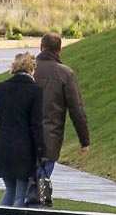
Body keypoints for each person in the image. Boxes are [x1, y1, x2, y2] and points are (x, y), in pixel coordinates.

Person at [0, 52, 46, 208]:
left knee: (10, 189)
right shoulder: (35, 90)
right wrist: (42, 151)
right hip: (24, 149)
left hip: (3, 146)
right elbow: (36, 125)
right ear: (32, 69)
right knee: (21, 193)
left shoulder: (2, 88)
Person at [33, 31, 91, 190]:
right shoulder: (65, 73)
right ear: (60, 50)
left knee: (19, 188)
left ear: (41, 47)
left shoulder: (29, 70)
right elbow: (76, 109)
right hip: (49, 138)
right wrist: (84, 140)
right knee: (41, 187)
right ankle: (37, 210)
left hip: (23, 137)